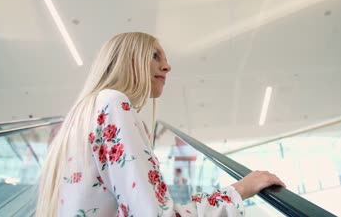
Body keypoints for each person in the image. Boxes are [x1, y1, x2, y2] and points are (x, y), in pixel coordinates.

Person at [36, 32, 286, 217]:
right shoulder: (113, 103)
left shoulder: (84, 112)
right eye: (154, 56)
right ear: (126, 60)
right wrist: (240, 189)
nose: (167, 66)